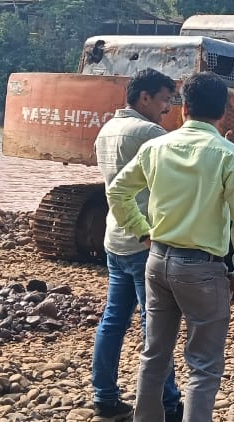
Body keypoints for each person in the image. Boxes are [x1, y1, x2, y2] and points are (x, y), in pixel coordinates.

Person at [106, 73, 234, 422]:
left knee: (154, 355)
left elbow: (117, 192)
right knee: (203, 366)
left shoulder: (156, 147)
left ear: (184, 108)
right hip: (203, 269)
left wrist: (142, 231)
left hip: (157, 260)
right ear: (223, 113)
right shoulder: (229, 156)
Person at [91, 68, 182, 421]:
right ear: (143, 97)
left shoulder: (107, 129)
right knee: (155, 325)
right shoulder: (149, 133)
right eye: (163, 100)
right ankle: (168, 402)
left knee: (113, 320)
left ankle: (105, 396)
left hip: (116, 236)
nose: (167, 109)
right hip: (145, 239)